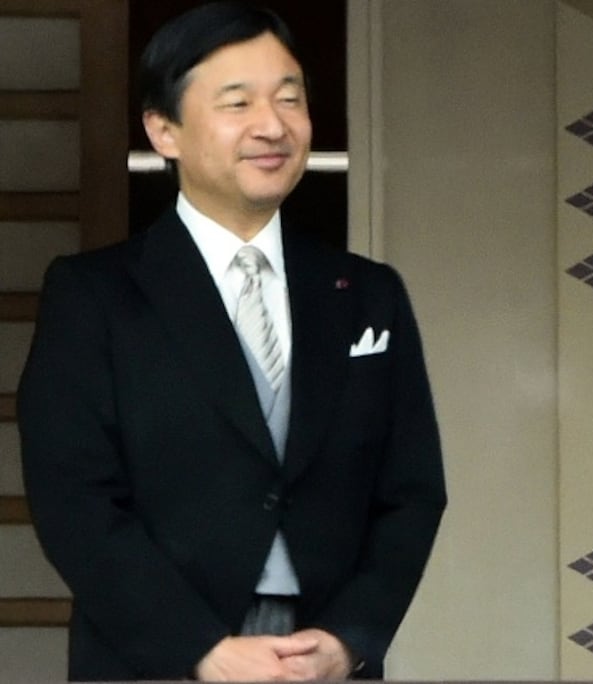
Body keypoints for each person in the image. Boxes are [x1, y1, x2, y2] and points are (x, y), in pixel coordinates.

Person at [18, 2, 445, 680]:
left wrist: (349, 638)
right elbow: (74, 499)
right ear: (164, 130)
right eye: (237, 103)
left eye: (290, 99)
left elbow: (412, 491)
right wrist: (199, 649)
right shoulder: (94, 296)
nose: (272, 126)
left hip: (323, 657)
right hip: (153, 655)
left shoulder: (368, 293)